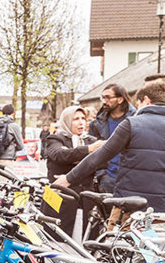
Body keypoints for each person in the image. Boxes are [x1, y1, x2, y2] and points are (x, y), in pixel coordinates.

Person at [58, 81, 165, 212]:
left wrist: (68, 179)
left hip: (130, 203)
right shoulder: (103, 122)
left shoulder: (132, 124)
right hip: (161, 205)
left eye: (139, 103)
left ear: (147, 100)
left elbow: (99, 156)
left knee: (114, 232)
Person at [43, 106, 102, 236]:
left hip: (86, 201)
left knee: (85, 241)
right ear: (67, 121)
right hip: (61, 201)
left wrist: (75, 157)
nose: (81, 122)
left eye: (83, 118)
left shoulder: (91, 140)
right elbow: (59, 155)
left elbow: (103, 161)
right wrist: (88, 151)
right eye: (76, 119)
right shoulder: (55, 139)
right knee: (58, 240)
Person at [88, 84, 135, 193]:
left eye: (108, 98)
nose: (104, 101)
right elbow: (91, 153)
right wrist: (101, 174)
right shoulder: (95, 125)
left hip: (130, 178)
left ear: (120, 99)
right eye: (103, 98)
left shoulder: (135, 121)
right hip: (106, 179)